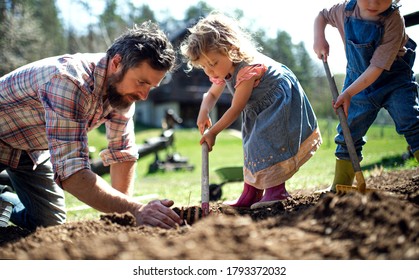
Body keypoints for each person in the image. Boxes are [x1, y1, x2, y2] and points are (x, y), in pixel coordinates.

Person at [0, 21, 183, 230]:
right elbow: (73, 173)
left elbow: (122, 154)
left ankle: (3, 198)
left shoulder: (122, 92)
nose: (143, 95)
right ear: (116, 63)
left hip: (30, 148)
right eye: (141, 82)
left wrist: (123, 218)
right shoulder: (68, 80)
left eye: (151, 86)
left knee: (50, 223)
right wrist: (136, 210)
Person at [180, 12, 322, 209]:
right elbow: (211, 95)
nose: (210, 71)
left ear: (230, 49)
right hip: (257, 106)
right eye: (204, 66)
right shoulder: (223, 68)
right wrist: (203, 112)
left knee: (267, 141)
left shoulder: (247, 70)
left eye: (213, 63)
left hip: (277, 99)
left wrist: (214, 132)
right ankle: (251, 193)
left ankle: (276, 190)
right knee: (251, 145)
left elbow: (236, 108)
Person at [313, 0, 419, 192]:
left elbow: (376, 67)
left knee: (410, 120)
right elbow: (322, 16)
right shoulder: (344, 11)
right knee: (348, 131)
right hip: (357, 83)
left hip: (394, 82)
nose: (374, 2)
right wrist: (319, 37)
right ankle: (341, 184)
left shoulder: (394, 20)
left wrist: (348, 93)